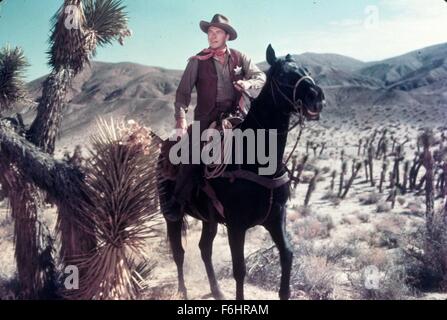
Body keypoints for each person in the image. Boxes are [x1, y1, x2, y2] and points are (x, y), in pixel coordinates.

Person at [165, 14, 266, 222]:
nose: (212, 36)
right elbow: (183, 93)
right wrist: (180, 119)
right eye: (210, 32)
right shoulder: (197, 61)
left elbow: (260, 77)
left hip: (236, 115)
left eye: (217, 32)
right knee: (191, 153)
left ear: (226, 36)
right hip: (205, 118)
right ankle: (178, 201)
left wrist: (247, 84)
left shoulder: (240, 58)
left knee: (262, 144)